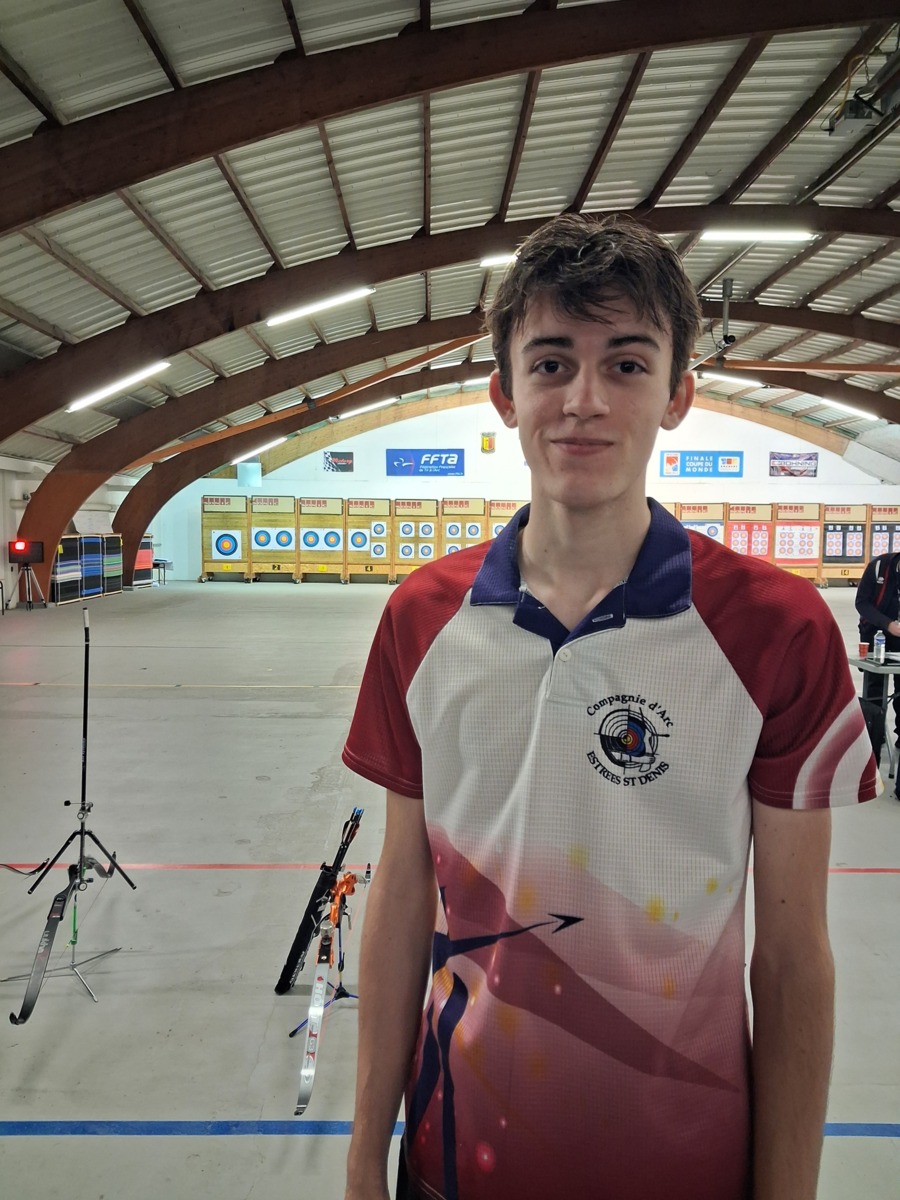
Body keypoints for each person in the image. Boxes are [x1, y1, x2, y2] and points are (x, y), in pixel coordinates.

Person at [341, 213, 878, 1200]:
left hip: (689, 1167)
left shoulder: (777, 628)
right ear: (505, 393)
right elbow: (404, 896)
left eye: (625, 365)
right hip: (456, 1161)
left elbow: (793, 959)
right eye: (552, 363)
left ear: (677, 395)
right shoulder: (422, 618)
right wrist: (362, 1157)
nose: (583, 400)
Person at [855, 549, 900, 744]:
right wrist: (888, 624)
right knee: (874, 687)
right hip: (876, 635)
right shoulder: (879, 567)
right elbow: (862, 603)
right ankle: (874, 735)